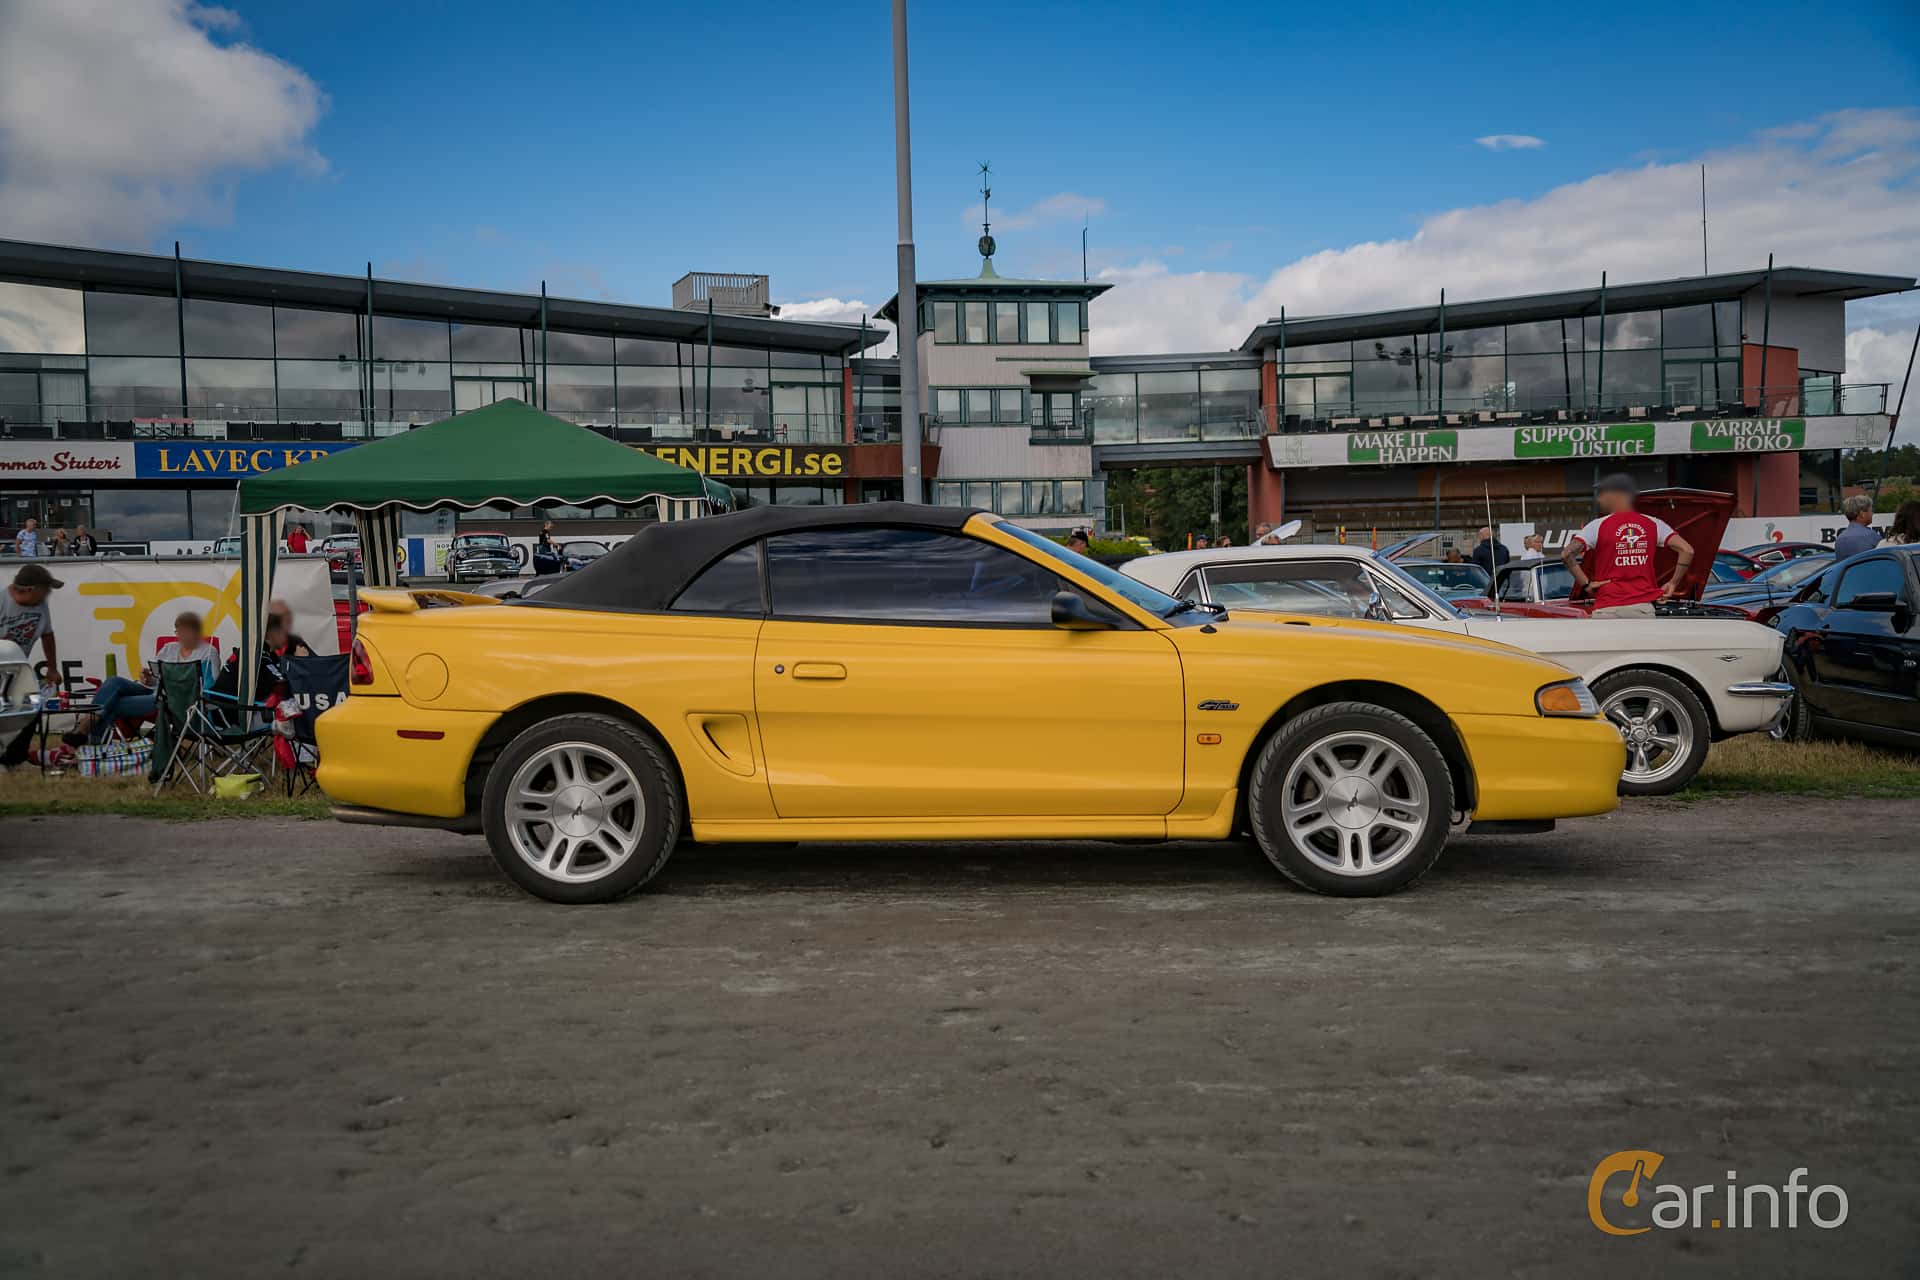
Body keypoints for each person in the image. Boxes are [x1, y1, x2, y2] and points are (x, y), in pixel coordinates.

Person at [1563, 473, 1694, 618]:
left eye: (1603, 493)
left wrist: (1586, 585)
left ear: (1618, 494)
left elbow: (1567, 554)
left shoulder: (1597, 526)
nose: (1599, 499)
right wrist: (1673, 583)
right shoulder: (1654, 523)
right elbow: (1687, 550)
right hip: (1642, 609)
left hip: (1607, 609)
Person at [82, 610, 219, 743]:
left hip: (178, 700)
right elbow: (155, 678)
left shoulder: (208, 652)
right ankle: (91, 721)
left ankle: (90, 741)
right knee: (114, 681)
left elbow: (213, 685)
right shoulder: (169, 648)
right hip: (156, 690)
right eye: (178, 632)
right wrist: (147, 678)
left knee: (112, 703)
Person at [1, 563, 61, 766]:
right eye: (45, 590)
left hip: (15, 670)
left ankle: (15, 759)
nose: (48, 595)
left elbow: (47, 634)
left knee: (31, 707)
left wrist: (52, 668)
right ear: (29, 590)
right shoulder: (2, 601)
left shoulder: (40, 605)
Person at [1833, 493, 1881, 559]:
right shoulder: (1871, 536)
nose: (1872, 514)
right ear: (1862, 514)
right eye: (1870, 511)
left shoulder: (1840, 539)